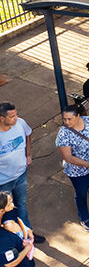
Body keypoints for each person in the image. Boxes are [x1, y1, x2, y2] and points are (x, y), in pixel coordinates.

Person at [55, 105, 89, 232]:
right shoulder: (63, 134)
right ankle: (84, 218)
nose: (67, 122)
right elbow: (68, 157)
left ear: (78, 116)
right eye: (64, 119)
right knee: (81, 193)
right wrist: (87, 165)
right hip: (78, 171)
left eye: (70, 119)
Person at [0, 104, 42, 244]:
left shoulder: (21, 123)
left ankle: (28, 233)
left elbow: (28, 134)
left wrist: (28, 154)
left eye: (16, 114)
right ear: (2, 118)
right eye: (12, 117)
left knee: (22, 205)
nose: (16, 118)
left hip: (20, 174)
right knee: (7, 212)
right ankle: (14, 240)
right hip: (3, 181)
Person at [0, 192, 34, 267]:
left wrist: (27, 230)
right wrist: (27, 248)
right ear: (1, 210)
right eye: (10, 203)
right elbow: (10, 264)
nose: (12, 205)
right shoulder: (3, 240)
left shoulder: (7, 210)